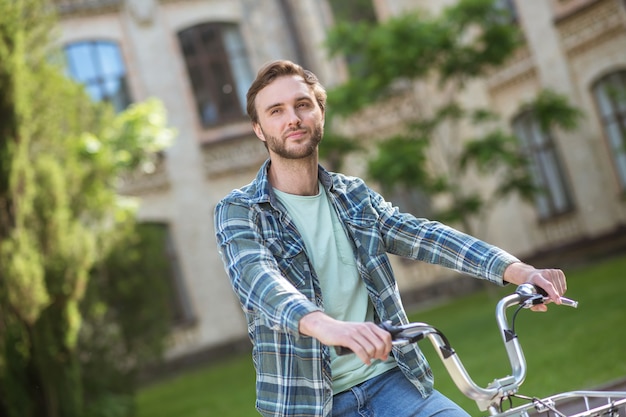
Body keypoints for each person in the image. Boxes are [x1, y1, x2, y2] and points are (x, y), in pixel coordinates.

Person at [214, 59, 567, 417]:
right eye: (276, 111)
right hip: (310, 406)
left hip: (392, 383)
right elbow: (258, 280)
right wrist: (329, 328)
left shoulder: (352, 196)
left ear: (320, 113)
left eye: (302, 105)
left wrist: (519, 271)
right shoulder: (240, 210)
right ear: (259, 129)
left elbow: (426, 237)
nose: (293, 119)